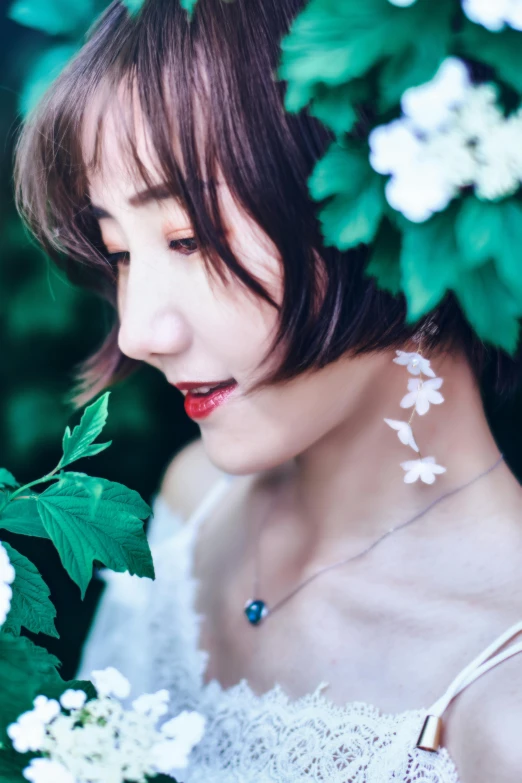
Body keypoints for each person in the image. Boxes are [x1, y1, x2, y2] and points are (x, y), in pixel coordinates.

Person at [13, 0, 522, 780]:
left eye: (188, 238)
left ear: (388, 197)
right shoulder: (193, 509)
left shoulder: (499, 696)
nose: (140, 330)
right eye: (119, 253)